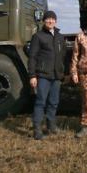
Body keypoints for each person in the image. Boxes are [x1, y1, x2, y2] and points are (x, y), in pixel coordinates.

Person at [28, 10, 66, 140]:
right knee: (40, 102)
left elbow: (63, 56)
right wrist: (32, 75)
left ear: (56, 21)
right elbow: (32, 57)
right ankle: (37, 129)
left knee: (54, 102)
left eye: (52, 19)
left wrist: (62, 73)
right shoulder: (38, 36)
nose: (50, 21)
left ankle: (51, 126)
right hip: (43, 75)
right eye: (48, 19)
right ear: (44, 21)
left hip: (56, 76)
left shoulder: (60, 37)